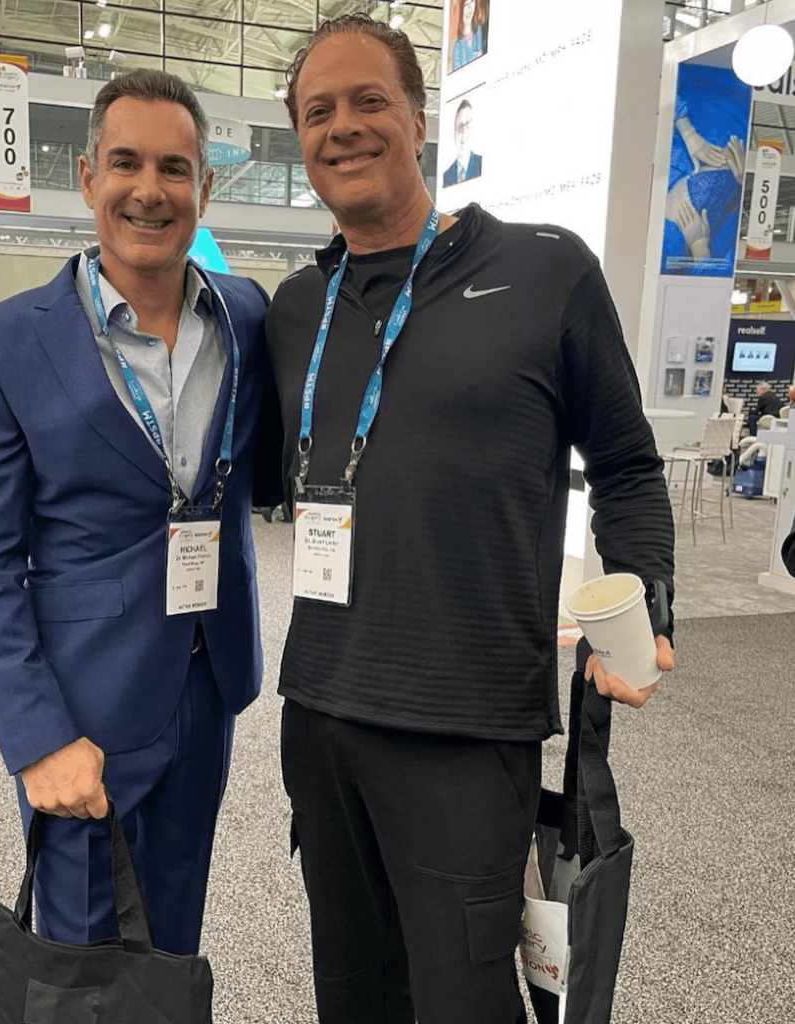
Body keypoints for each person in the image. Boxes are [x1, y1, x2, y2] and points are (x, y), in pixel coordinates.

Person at [265, 15, 676, 1024]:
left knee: (465, 999)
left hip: (466, 726)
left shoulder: (547, 274)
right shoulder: (291, 307)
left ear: (419, 118)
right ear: (299, 139)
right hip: (319, 717)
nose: (345, 126)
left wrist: (647, 614)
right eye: (319, 111)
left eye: (370, 101)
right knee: (354, 994)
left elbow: (625, 463)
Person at [0, 69, 281, 954]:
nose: (149, 190)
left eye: (175, 168)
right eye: (124, 163)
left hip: (207, 684)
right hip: (81, 709)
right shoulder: (2, 344)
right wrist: (38, 737)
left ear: (204, 190)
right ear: (88, 177)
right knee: (81, 957)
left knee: (172, 941)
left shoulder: (245, 314)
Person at [442, 98, 482, 187]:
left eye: (467, 126)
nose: (463, 134)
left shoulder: (480, 164)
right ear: (454, 133)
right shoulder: (447, 175)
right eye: (460, 127)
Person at [451, 0, 488, 71]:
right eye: (466, 5)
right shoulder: (458, 45)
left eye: (472, 2)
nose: (469, 7)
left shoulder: (480, 33)